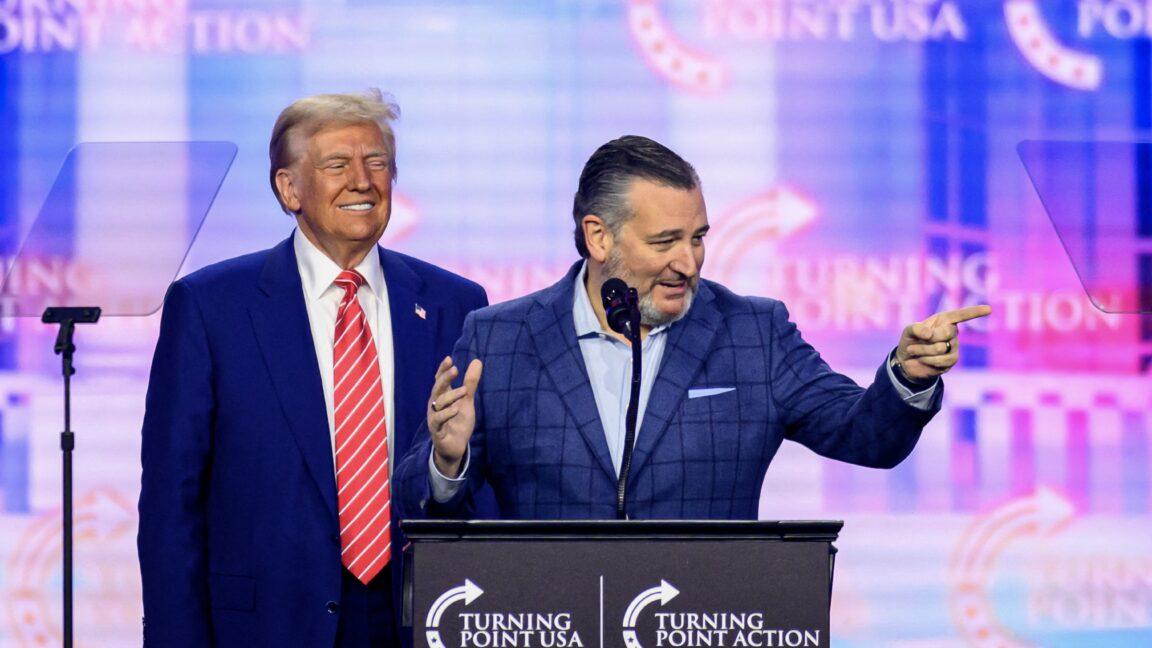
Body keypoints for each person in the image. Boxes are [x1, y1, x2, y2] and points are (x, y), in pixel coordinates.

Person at [394, 135, 990, 520]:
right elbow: (416, 501)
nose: (689, 262)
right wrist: (447, 462)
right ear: (599, 237)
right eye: (665, 242)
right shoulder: (501, 340)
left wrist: (908, 376)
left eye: (698, 237)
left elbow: (867, 437)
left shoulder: (753, 334)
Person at [137, 90, 488, 647]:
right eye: (337, 165)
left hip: (416, 618)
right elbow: (170, 505)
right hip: (266, 626)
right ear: (289, 188)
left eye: (377, 163)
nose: (362, 181)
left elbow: (481, 481)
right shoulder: (211, 307)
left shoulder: (455, 304)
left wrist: (449, 468)